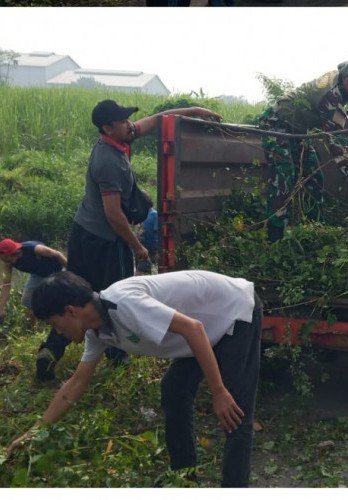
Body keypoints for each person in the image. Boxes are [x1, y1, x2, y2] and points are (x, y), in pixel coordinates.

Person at [5, 269, 262, 488]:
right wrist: (32, 434)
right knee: (174, 391)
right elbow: (76, 384)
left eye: (55, 323)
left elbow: (194, 328)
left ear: (70, 310)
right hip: (201, 332)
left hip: (234, 314)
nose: (57, 331)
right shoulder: (98, 332)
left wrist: (218, 391)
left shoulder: (124, 303)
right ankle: (184, 478)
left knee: (234, 410)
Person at [35, 100, 222, 381]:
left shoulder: (121, 136)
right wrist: (137, 246)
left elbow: (157, 120)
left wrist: (193, 112)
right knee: (115, 295)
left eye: (127, 120)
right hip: (104, 239)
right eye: (121, 122)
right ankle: (117, 353)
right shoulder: (108, 161)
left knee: (71, 293)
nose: (128, 125)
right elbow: (113, 214)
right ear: (107, 128)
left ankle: (50, 350)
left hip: (82, 231)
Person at [257, 51, 348, 241]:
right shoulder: (331, 97)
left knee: (313, 175)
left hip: (298, 131)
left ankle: (313, 230)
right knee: (284, 175)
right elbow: (334, 139)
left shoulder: (347, 85)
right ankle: (275, 239)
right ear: (347, 76)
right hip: (276, 124)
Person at [0, 238, 66, 327]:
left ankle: (59, 322)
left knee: (58, 298)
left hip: (57, 271)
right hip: (38, 275)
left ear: (14, 254)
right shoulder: (8, 264)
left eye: (6, 260)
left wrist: (72, 271)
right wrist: (2, 308)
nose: (5, 262)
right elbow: (6, 285)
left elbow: (58, 254)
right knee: (27, 300)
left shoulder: (35, 249)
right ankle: (33, 327)